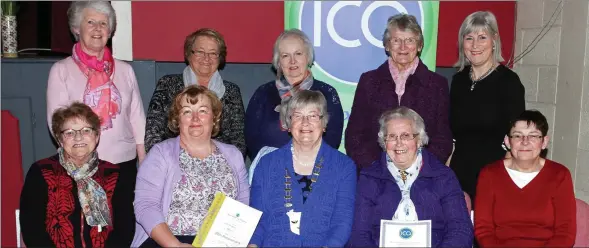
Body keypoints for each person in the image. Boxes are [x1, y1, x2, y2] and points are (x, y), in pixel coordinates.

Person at [132, 85, 249, 247]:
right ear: (177, 119)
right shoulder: (160, 153)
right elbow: (145, 206)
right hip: (170, 240)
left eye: (202, 111)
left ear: (214, 117)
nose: (195, 118)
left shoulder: (233, 155)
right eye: (187, 111)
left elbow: (243, 204)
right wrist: (176, 245)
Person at [348, 107, 473, 247]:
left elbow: (460, 230)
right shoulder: (369, 177)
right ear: (384, 142)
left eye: (406, 136)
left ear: (419, 140)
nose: (398, 143)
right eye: (392, 136)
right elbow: (358, 234)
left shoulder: (443, 177)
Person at [20, 102, 136, 247]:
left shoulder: (115, 174)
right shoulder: (41, 172)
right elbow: (32, 227)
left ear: (97, 135)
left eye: (86, 130)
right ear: (59, 139)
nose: (78, 137)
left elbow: (124, 228)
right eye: (69, 132)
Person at [249, 90, 356, 247]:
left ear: (324, 123)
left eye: (313, 116)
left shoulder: (344, 167)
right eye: (297, 116)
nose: (305, 122)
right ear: (289, 124)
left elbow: (342, 223)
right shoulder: (266, 164)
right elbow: (258, 220)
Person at [47, 1, 146, 170]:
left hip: (124, 161)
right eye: (90, 22)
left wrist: (144, 160)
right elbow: (56, 122)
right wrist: (76, 157)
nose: (98, 28)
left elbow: (137, 118)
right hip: (80, 162)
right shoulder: (61, 70)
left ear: (110, 30)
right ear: (77, 28)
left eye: (103, 23)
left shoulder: (125, 70)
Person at [346, 14, 452, 170]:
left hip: (422, 176)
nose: (403, 47)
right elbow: (354, 137)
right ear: (387, 46)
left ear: (420, 45)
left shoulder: (437, 84)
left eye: (409, 40)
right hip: (375, 175)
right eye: (396, 40)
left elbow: (442, 139)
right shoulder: (368, 81)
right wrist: (376, 169)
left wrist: (419, 170)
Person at [449, 11, 525, 201]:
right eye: (469, 38)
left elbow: (517, 135)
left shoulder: (509, 82)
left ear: (494, 40)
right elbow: (453, 135)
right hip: (459, 175)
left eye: (482, 37)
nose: (475, 45)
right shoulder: (458, 81)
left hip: (494, 176)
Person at [475, 110, 576, 247]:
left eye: (533, 136)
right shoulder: (489, 174)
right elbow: (483, 231)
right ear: (508, 141)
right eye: (517, 136)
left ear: (544, 142)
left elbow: (565, 233)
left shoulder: (559, 175)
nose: (525, 142)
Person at [245, 29, 344, 160]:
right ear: (278, 61)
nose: (292, 61)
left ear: (308, 57)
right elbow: (251, 139)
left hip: (316, 169)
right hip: (271, 169)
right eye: (285, 56)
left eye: (298, 54)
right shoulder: (262, 93)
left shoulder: (327, 93)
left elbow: (332, 138)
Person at [145, 28, 245, 156]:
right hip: (172, 164)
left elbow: (238, 142)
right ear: (188, 54)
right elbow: (153, 135)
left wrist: (214, 164)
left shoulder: (232, 92)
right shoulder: (168, 84)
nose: (206, 58)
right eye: (200, 52)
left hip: (218, 166)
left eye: (213, 53)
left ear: (220, 58)